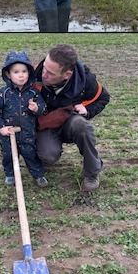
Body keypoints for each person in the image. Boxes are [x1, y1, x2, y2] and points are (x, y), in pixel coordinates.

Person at [33, 43, 110, 192]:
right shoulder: (35, 74)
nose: (44, 75)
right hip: (46, 125)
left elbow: (103, 98)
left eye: (51, 73)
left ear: (67, 75)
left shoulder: (85, 81)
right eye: (44, 68)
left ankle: (92, 173)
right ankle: (43, 156)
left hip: (70, 124)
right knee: (48, 156)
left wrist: (87, 110)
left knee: (81, 125)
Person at [0, 50, 48, 188]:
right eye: (16, 72)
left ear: (29, 73)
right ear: (8, 74)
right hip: (9, 134)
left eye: (24, 71)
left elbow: (43, 108)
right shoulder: (3, 93)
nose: (21, 75)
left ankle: (38, 175)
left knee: (31, 154)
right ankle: (10, 173)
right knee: (8, 155)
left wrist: (36, 108)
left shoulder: (34, 92)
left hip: (27, 133)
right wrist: (1, 127)